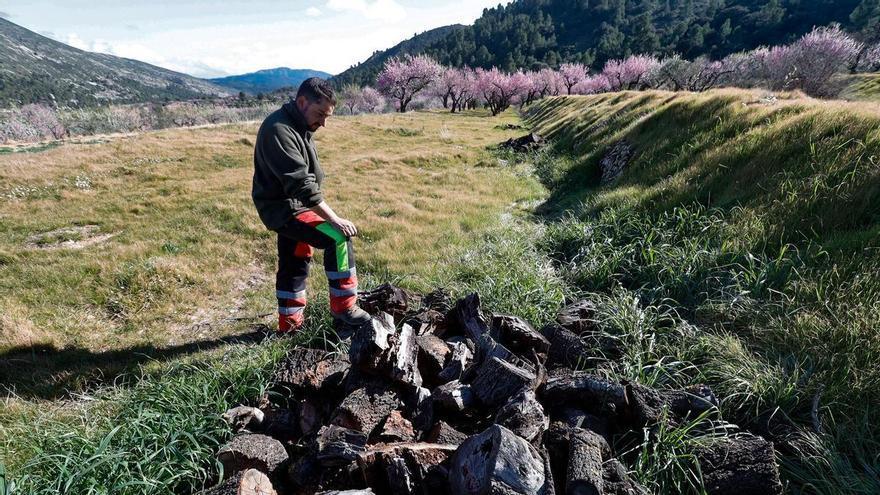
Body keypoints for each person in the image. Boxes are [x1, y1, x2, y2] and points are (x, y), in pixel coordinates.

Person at [252, 77, 371, 333]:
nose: (323, 123)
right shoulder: (279, 129)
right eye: (320, 114)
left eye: (327, 116)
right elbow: (301, 185)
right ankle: (345, 308)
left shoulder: (299, 125)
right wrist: (333, 219)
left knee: (294, 260)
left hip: (292, 206)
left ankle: (290, 326)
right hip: (286, 209)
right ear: (302, 101)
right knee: (337, 238)